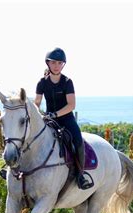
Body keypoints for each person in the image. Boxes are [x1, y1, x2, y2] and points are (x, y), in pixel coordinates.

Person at [34, 47, 93, 190]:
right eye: (53, 62)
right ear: (48, 63)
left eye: (60, 63)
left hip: (66, 119)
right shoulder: (42, 82)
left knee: (78, 139)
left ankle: (81, 175)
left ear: (63, 65)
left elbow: (71, 105)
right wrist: (39, 114)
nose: (56, 66)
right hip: (49, 120)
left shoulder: (67, 82)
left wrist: (55, 114)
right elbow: (36, 103)